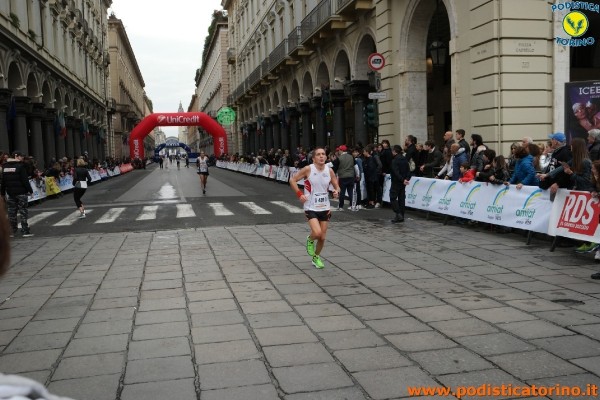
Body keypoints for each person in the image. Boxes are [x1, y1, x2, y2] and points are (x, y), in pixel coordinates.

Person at [289, 147, 340, 269]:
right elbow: (292, 180)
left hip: (325, 207)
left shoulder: (330, 171)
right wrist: (299, 194)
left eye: (323, 154)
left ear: (326, 157)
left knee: (322, 237)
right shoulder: (308, 169)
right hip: (311, 206)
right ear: (313, 158)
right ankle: (310, 239)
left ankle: (316, 257)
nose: (321, 156)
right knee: (316, 233)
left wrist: (336, 191)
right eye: (318, 154)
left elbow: (336, 185)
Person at [1, 151, 33, 237]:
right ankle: (25, 230)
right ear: (16, 156)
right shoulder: (20, 166)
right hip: (21, 192)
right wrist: (30, 191)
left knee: (11, 212)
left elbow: (3, 181)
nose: (22, 158)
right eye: (21, 156)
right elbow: (25, 180)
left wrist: (2, 193)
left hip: (10, 193)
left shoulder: (5, 166)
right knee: (23, 211)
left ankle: (12, 231)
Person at [389, 145, 410, 223]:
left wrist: (402, 180)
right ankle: (401, 215)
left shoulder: (395, 160)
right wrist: (406, 179)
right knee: (401, 199)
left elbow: (396, 172)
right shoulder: (404, 159)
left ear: (394, 151)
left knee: (393, 197)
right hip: (403, 182)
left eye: (392, 151)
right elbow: (408, 171)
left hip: (396, 182)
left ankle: (398, 214)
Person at [335, 145, 355, 211]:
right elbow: (355, 165)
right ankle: (352, 206)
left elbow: (335, 166)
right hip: (351, 176)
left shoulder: (339, 158)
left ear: (341, 150)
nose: (339, 152)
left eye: (339, 150)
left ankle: (341, 206)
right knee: (350, 192)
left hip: (343, 176)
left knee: (342, 192)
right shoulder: (351, 157)